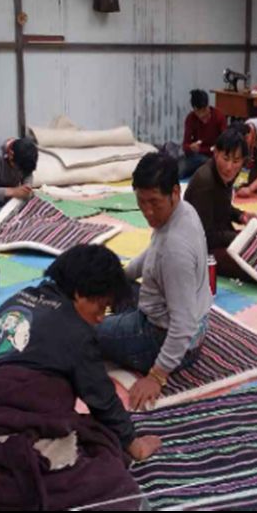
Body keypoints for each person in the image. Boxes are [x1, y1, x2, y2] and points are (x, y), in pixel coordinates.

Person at [0, 245, 161, 510]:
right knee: (111, 478)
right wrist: (134, 444)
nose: (100, 318)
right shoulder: (77, 332)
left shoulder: (20, 298)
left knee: (86, 429)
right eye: (100, 307)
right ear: (79, 293)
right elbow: (102, 398)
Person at [97, 153, 213, 411]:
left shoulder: (175, 250)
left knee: (84, 328)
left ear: (175, 192)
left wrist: (157, 375)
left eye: (154, 203)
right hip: (192, 323)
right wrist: (122, 277)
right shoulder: (184, 211)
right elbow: (153, 252)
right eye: (141, 202)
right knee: (115, 283)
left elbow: (183, 324)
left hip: (163, 338)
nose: (148, 211)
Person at [184, 126, 257, 281]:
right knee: (254, 264)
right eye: (225, 158)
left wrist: (241, 216)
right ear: (216, 153)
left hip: (219, 235)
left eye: (236, 161)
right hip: (200, 247)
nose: (230, 167)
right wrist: (238, 236)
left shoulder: (228, 173)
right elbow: (206, 236)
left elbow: (221, 205)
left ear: (242, 161)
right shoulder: (205, 181)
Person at [0, 137, 38, 228]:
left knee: (38, 206)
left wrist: (27, 186)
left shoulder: (25, 152)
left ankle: (21, 219)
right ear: (10, 155)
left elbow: (28, 173)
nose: (19, 172)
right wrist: (13, 191)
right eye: (18, 169)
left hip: (15, 200)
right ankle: (22, 219)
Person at [179, 89, 227, 178]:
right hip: (197, 156)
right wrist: (191, 147)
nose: (203, 115)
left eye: (205, 110)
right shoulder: (191, 119)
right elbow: (185, 145)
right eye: (199, 112)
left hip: (214, 156)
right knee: (179, 170)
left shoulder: (218, 116)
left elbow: (225, 143)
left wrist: (212, 150)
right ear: (195, 110)